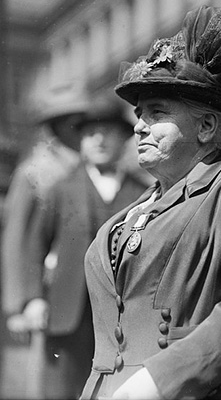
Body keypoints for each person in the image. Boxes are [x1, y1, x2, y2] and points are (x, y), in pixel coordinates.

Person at [80, 5, 221, 400]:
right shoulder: (133, 211)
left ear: (205, 127)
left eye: (157, 112)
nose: (138, 125)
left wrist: (158, 381)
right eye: (138, 113)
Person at [2, 101, 148, 400]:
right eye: (90, 133)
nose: (99, 140)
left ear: (124, 140)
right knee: (63, 388)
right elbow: (33, 245)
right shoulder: (61, 189)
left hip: (126, 314)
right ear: (80, 141)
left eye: (107, 132)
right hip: (69, 311)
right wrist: (32, 300)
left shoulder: (143, 191)